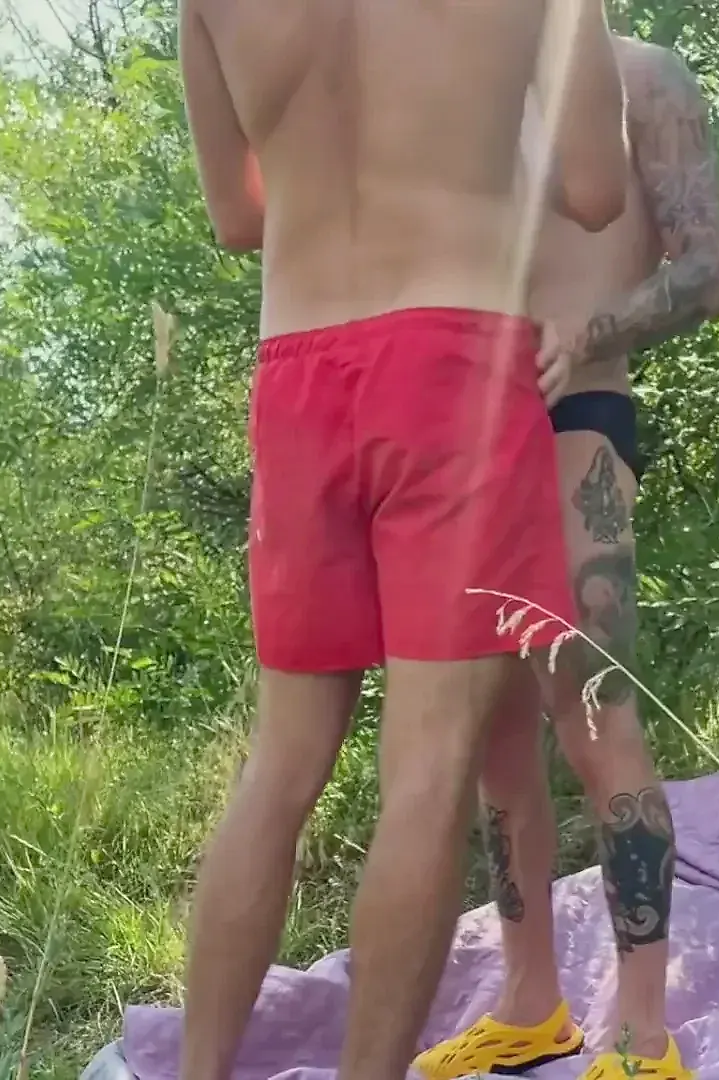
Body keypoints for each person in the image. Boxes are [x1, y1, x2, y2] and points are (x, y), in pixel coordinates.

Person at [172, 2, 633, 1079]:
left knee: (279, 768)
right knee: (426, 773)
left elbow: (235, 219)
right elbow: (596, 190)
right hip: (453, 359)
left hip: (298, 371)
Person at [412, 31, 719, 1080]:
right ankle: (530, 1003)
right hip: (461, 430)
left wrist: (586, 331)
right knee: (494, 734)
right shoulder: (460, 72)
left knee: (596, 715)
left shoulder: (644, 76)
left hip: (578, 416)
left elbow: (712, 273)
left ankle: (643, 1033)